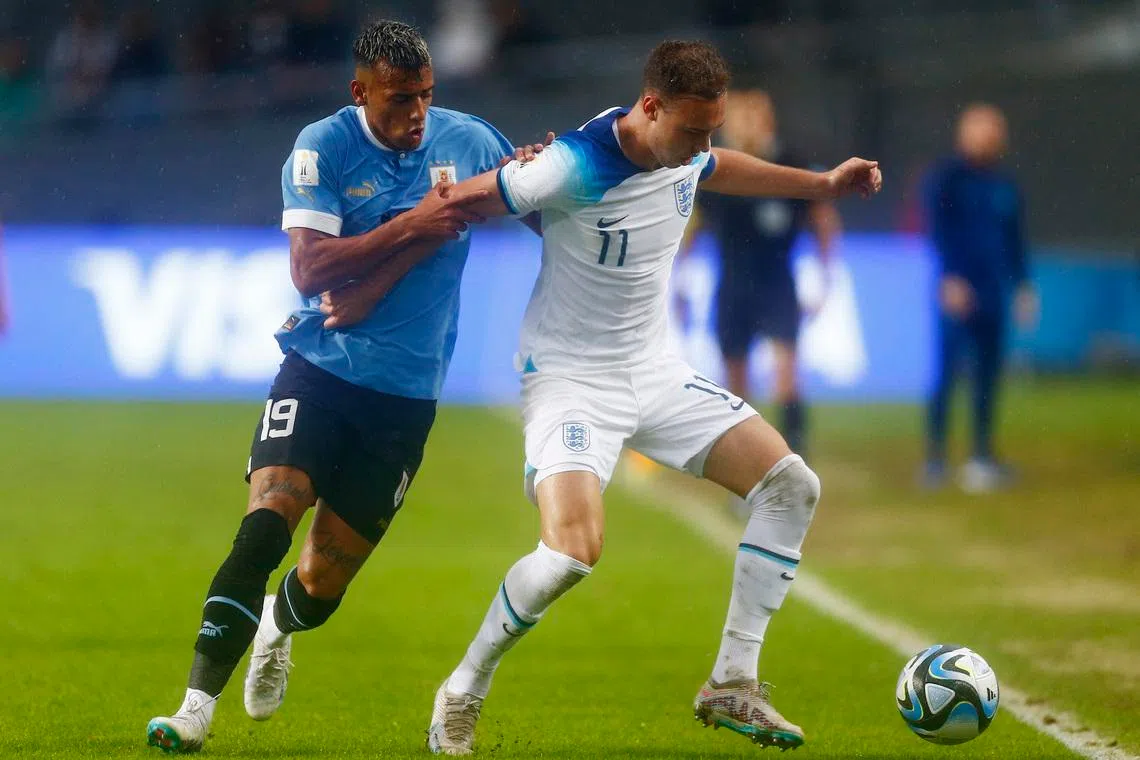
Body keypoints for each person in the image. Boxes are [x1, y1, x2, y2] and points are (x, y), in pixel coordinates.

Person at [317, 40, 880, 754]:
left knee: (791, 485)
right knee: (572, 554)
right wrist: (367, 286)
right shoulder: (572, 166)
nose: (703, 147)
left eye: (711, 130)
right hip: (569, 378)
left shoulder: (685, 150)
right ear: (650, 108)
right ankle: (464, 686)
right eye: (692, 131)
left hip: (654, 370)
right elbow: (453, 205)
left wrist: (822, 185)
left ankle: (733, 684)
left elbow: (718, 168)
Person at [146, 20, 548, 754]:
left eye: (426, 96)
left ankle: (279, 625)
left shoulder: (468, 140)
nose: (417, 114)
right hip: (319, 368)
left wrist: (547, 175)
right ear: (360, 92)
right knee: (269, 517)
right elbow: (311, 269)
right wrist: (419, 222)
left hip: (406, 395)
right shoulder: (323, 147)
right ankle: (194, 707)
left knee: (321, 587)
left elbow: (539, 214)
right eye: (400, 100)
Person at [692, 89, 840, 456]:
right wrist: (676, 278)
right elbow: (691, 222)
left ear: (767, 121)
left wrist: (826, 275)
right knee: (736, 382)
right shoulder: (713, 169)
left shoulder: (790, 162)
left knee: (787, 373)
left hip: (777, 283)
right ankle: (747, 460)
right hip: (731, 284)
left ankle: (796, 455)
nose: (744, 127)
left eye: (752, 118)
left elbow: (823, 218)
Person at [923, 103, 1036, 493]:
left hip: (993, 292)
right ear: (965, 132)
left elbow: (1016, 240)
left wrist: (1023, 286)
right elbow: (937, 231)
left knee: (988, 376)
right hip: (956, 291)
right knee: (946, 374)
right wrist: (949, 279)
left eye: (995, 129)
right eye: (983, 128)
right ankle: (935, 460)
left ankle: (981, 458)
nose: (990, 135)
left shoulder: (1005, 184)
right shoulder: (947, 178)